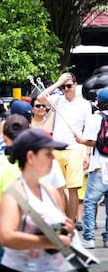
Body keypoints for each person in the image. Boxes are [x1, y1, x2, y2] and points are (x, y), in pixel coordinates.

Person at [0, 114, 66, 268]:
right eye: (49, 153)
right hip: (46, 247)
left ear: (4, 138)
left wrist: (4, 211)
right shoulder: (49, 166)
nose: (52, 158)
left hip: (13, 250)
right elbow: (62, 209)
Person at [0, 129, 73, 272]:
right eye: (48, 154)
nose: (53, 159)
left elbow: (58, 226)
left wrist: (66, 230)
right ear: (30, 157)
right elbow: (6, 236)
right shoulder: (13, 194)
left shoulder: (50, 191)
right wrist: (49, 241)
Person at [36, 71, 92, 221]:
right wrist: (58, 83)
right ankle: (61, 217)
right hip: (57, 149)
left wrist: (87, 153)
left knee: (73, 187)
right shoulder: (58, 99)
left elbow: (88, 130)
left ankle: (71, 220)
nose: (66, 89)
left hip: (75, 148)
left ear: (75, 85)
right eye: (63, 87)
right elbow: (40, 98)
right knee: (57, 187)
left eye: (68, 86)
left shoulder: (84, 104)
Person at [81, 86, 108, 248]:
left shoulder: (94, 118)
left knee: (90, 202)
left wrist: (80, 140)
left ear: (99, 102)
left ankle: (89, 238)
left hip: (99, 167)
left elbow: (91, 141)